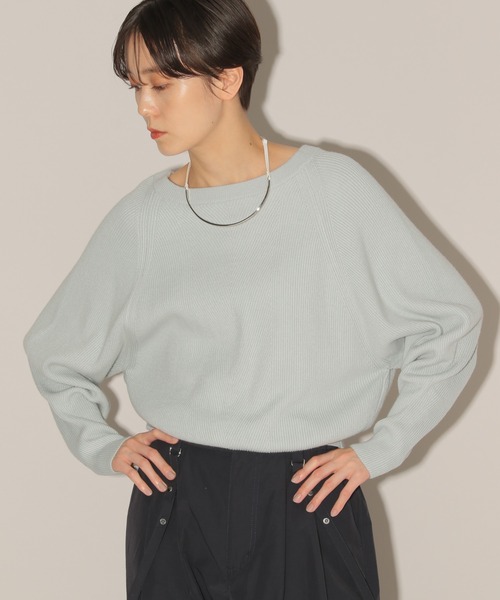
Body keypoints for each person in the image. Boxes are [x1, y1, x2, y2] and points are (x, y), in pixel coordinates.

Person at [24, 0, 482, 598]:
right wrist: (102, 444)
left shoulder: (331, 190)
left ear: (227, 79)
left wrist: (384, 446)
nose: (143, 106)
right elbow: (56, 352)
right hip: (176, 503)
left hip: (306, 498)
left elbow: (450, 322)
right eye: (135, 86)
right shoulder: (143, 219)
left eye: (160, 84)